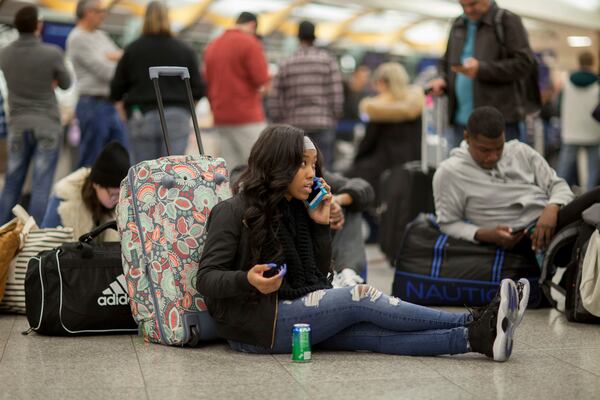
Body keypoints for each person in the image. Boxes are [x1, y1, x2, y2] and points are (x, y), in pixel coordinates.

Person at [197, 124, 530, 362]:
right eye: (302, 164)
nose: (311, 173)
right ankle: (475, 319)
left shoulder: (298, 208)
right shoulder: (232, 211)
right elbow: (207, 278)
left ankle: (477, 338)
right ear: (277, 164)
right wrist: (248, 280)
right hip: (258, 327)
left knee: (372, 335)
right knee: (361, 297)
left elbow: (319, 271)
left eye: (313, 164)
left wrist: (319, 226)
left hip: (296, 306)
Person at [433, 106, 600, 255]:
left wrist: (552, 207)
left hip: (553, 219)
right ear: (467, 137)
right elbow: (448, 223)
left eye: (499, 148)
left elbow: (558, 185)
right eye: (485, 150)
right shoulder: (449, 172)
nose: (493, 156)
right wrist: (486, 234)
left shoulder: (520, 151)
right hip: (518, 237)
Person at [428, 0, 536, 149]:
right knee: (460, 171)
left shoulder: (506, 20)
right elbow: (446, 61)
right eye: (463, 5)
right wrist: (442, 79)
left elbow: (524, 63)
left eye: (473, 4)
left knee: (502, 170)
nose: (468, 10)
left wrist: (482, 69)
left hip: (498, 124)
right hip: (461, 122)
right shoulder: (458, 23)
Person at [0, 5, 71, 224]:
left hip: (18, 125)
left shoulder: (5, 53)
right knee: (41, 186)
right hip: (47, 124)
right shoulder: (52, 53)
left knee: (12, 182)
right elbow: (66, 84)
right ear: (38, 25)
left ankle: (2, 232)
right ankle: (35, 238)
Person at [110, 1, 204, 163]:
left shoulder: (133, 49)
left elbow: (116, 88)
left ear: (145, 19)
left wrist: (125, 114)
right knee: (174, 172)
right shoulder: (184, 49)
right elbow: (198, 89)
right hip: (177, 114)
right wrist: (187, 110)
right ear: (168, 18)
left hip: (142, 113)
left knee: (144, 173)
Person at [267, 21, 343, 169]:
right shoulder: (327, 61)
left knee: (295, 168)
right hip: (322, 123)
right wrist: (334, 116)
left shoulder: (287, 62)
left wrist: (280, 119)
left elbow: (274, 95)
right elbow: (336, 94)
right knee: (324, 169)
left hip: (294, 126)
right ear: (314, 37)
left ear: (298, 37)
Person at [348, 62, 423, 205]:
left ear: (382, 82)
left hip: (381, 170)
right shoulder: (415, 106)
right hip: (411, 167)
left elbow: (367, 144)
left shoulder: (378, 109)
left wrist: (355, 161)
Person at [203, 12, 269, 169]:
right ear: (253, 25)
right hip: (247, 116)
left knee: (230, 172)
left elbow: (206, 81)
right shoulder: (249, 42)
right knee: (259, 167)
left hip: (220, 116)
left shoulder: (212, 45)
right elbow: (262, 80)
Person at [67, 0, 127, 168]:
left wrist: (110, 57)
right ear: (88, 13)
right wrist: (110, 57)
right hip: (92, 104)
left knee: (118, 160)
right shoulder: (77, 37)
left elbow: (123, 59)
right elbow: (105, 71)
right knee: (90, 162)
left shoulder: (100, 35)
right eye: (100, 11)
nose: (104, 15)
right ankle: (85, 194)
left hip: (109, 105)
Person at [41, 141, 129, 241]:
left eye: (121, 195)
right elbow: (46, 242)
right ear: (96, 184)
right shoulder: (63, 201)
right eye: (113, 194)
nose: (118, 200)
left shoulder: (124, 206)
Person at [557, 51, 600, 192]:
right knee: (592, 171)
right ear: (593, 62)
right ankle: (591, 201)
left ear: (578, 62)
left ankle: (557, 195)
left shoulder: (567, 81)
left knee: (564, 169)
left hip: (571, 131)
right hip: (593, 131)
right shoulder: (598, 83)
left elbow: (559, 105)